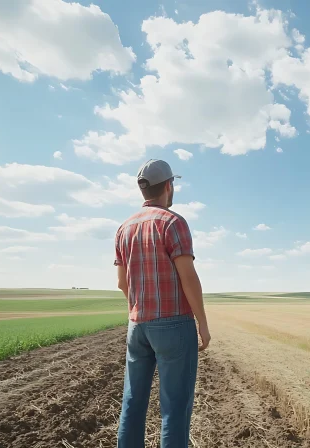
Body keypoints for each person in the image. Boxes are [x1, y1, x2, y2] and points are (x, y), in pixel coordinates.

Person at [114, 159, 211, 448]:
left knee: (132, 402)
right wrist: (202, 324)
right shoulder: (173, 222)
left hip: (137, 325)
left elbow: (122, 284)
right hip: (174, 324)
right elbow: (188, 278)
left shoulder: (124, 228)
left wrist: (138, 313)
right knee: (174, 408)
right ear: (169, 186)